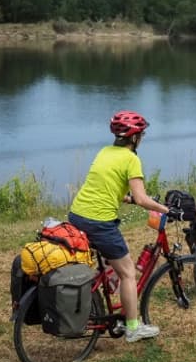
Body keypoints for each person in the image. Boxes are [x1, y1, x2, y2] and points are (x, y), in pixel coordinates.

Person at [68, 110, 168, 342]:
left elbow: (110, 189)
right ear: (134, 138)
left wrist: (130, 198)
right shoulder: (131, 159)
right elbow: (143, 199)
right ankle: (133, 328)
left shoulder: (105, 152)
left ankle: (102, 301)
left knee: (112, 264)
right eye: (141, 135)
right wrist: (165, 209)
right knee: (128, 273)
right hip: (99, 222)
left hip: (77, 215)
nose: (141, 139)